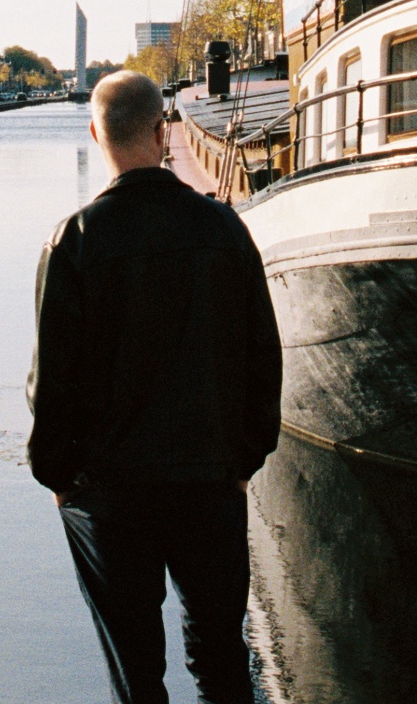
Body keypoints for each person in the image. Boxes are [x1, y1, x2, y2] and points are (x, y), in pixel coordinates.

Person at [28, 70, 282, 704]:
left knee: (137, 671)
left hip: (112, 490)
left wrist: (58, 476)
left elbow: (51, 383)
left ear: (95, 134)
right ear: (165, 130)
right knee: (222, 653)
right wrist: (242, 461)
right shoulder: (226, 231)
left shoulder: (73, 241)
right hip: (208, 479)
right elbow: (262, 360)